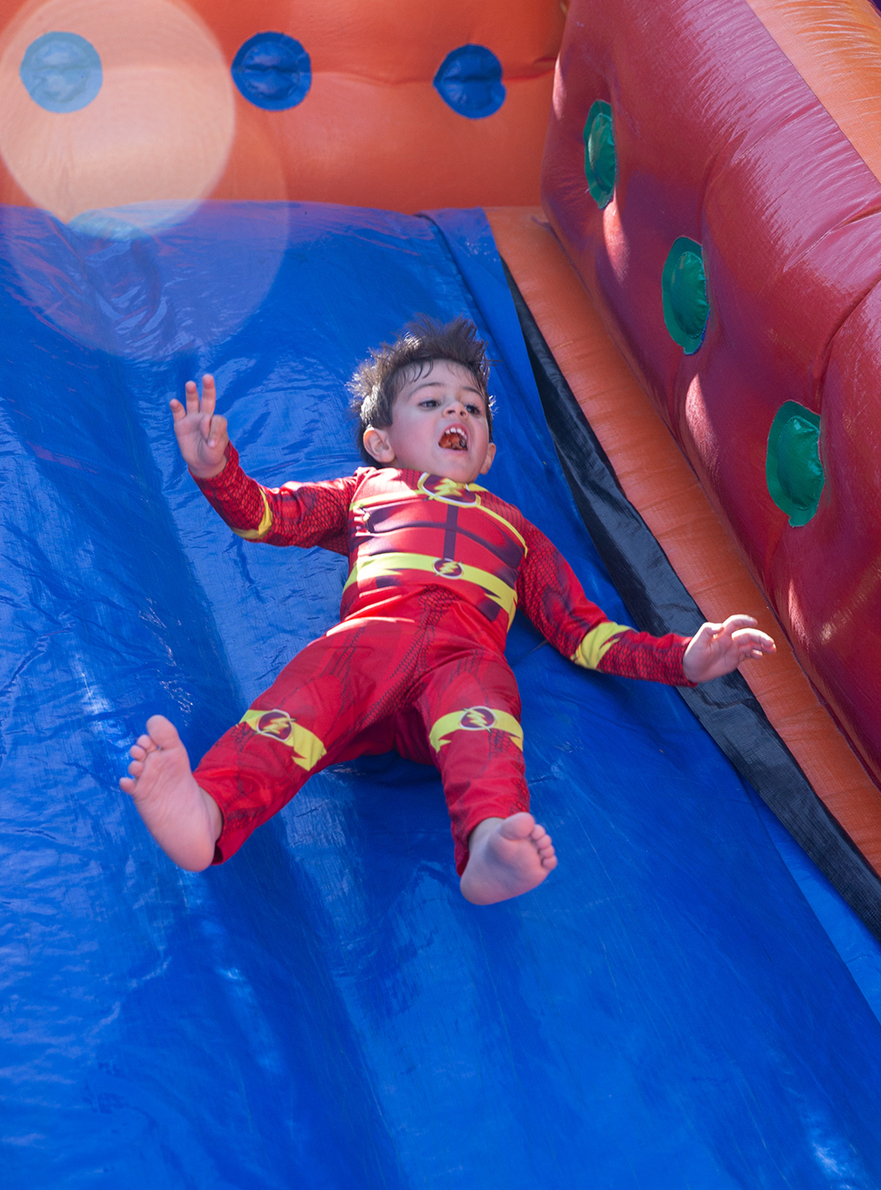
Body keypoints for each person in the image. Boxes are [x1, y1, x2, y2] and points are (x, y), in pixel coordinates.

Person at [120, 317, 774, 905]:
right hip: (377, 637)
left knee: (487, 709)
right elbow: (272, 517)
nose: (454, 412)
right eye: (429, 402)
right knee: (311, 690)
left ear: (487, 454)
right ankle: (208, 811)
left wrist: (683, 657)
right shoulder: (366, 489)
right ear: (380, 442)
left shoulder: (516, 530)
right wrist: (219, 472)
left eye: (470, 407)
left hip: (461, 661)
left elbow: (582, 632)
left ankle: (488, 840)